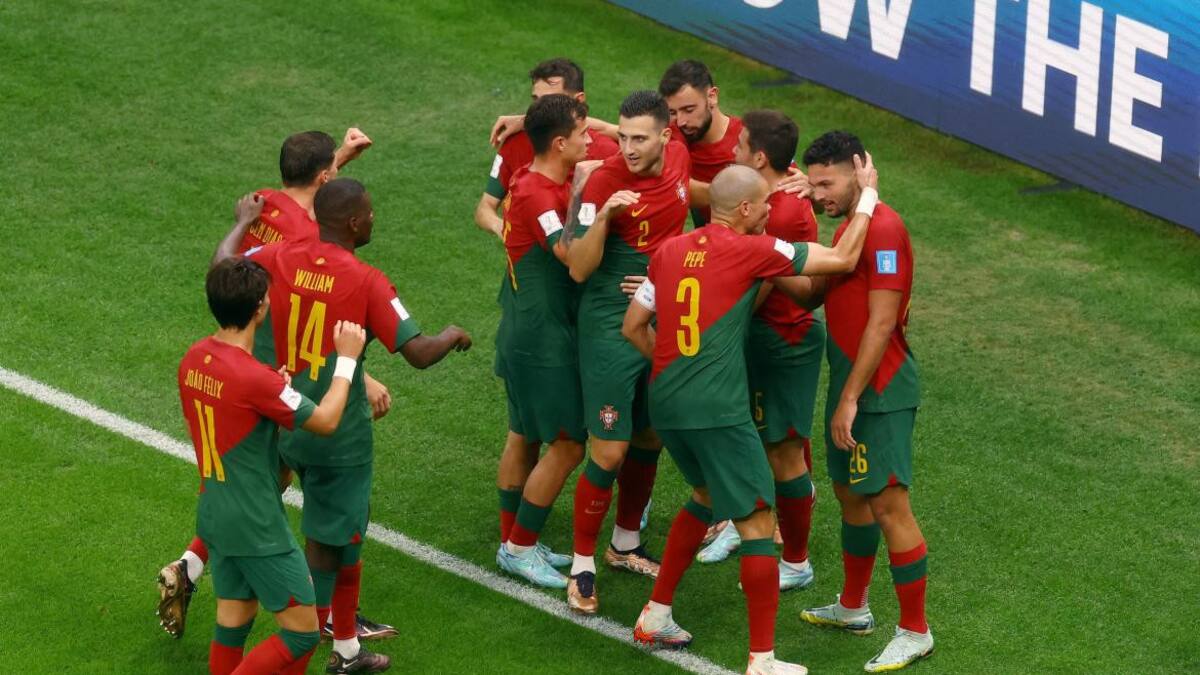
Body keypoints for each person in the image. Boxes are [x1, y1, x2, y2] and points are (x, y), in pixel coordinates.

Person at [622, 162, 879, 675]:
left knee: (704, 496)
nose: (770, 210)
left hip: (667, 403)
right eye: (764, 203)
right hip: (717, 411)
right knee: (760, 522)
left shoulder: (669, 251)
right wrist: (868, 197)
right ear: (744, 210)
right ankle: (762, 660)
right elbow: (845, 257)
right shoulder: (754, 248)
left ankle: (656, 613)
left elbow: (633, 327)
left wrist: (677, 372)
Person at [213, 179, 472, 673]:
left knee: (339, 536)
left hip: (285, 419)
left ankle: (348, 647)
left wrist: (243, 223)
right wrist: (451, 335)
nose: (374, 220)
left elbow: (224, 267)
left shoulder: (278, 255)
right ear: (353, 223)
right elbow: (418, 353)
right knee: (330, 546)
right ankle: (310, 646)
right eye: (370, 215)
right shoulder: (368, 280)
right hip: (337, 437)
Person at [156, 127, 395, 643]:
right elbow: (312, 303)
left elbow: (311, 200)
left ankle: (191, 566)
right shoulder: (306, 242)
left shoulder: (266, 204)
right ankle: (326, 622)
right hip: (276, 370)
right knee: (308, 494)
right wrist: (360, 371)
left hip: (248, 357)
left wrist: (341, 158)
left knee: (267, 476)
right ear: (325, 177)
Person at [179, 256, 366, 674]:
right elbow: (327, 419)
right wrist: (347, 360)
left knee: (233, 622)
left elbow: (236, 418)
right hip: (255, 522)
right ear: (260, 308)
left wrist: (272, 392)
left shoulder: (193, 361)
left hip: (215, 512)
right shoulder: (255, 380)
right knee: (302, 632)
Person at [795, 131, 932, 672]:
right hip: (852, 385)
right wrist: (761, 258)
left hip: (880, 390)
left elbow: (882, 322)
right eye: (814, 184)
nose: (819, 194)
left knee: (889, 504)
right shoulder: (850, 228)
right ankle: (853, 606)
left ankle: (916, 630)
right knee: (851, 494)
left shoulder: (885, 228)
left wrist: (850, 397)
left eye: (827, 182)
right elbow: (812, 293)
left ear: (858, 170)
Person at [558, 89, 694, 614]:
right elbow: (577, 266)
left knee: (650, 433)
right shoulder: (605, 180)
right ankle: (582, 565)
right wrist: (602, 217)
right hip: (611, 326)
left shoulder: (679, 158)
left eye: (640, 138)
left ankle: (626, 542)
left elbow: (686, 212)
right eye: (624, 136)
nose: (629, 148)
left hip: (660, 317)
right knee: (609, 449)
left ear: (665, 135)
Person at [696, 111, 823, 594]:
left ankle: (796, 557)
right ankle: (738, 522)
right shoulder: (773, 197)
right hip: (757, 339)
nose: (732, 149)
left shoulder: (782, 210)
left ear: (760, 157)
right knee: (749, 440)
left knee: (784, 450)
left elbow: (762, 281)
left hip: (781, 343)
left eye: (741, 145)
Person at [492, 94, 592, 587]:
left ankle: (513, 539)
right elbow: (571, 255)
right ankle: (520, 546)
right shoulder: (536, 194)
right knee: (570, 444)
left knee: (524, 433)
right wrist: (597, 206)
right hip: (541, 338)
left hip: (525, 327)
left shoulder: (533, 179)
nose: (590, 139)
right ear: (559, 143)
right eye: (581, 133)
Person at [473, 58, 619, 238]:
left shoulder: (608, 151)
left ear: (578, 100)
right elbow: (484, 208)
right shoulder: (518, 142)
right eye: (536, 100)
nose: (539, 109)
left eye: (550, 100)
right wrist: (506, 230)